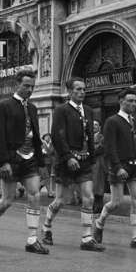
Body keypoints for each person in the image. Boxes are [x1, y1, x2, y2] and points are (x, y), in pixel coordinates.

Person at [0, 69, 49, 255]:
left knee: (35, 194)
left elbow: (36, 137)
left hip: (30, 159)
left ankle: (32, 240)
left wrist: (41, 163)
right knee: (7, 199)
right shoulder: (3, 106)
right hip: (11, 159)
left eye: (32, 87)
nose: (30, 89)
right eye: (26, 86)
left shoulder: (33, 108)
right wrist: (3, 162)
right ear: (16, 85)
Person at [42, 77, 104, 251]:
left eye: (84, 89)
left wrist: (91, 156)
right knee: (60, 201)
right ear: (70, 92)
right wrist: (68, 157)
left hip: (84, 161)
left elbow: (89, 135)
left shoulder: (89, 111)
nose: (82, 92)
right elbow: (57, 135)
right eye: (78, 89)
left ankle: (87, 238)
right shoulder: (61, 110)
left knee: (89, 198)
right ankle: (46, 226)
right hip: (66, 162)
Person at [93, 88, 136, 250]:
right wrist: (118, 167)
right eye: (130, 101)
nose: (134, 104)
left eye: (135, 101)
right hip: (119, 167)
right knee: (116, 202)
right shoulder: (112, 121)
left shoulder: (135, 122)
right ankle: (99, 223)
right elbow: (109, 148)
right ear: (121, 102)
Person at [92, 120, 106, 223]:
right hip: (91, 164)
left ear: (100, 127)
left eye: (96, 125)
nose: (94, 126)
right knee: (92, 185)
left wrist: (90, 151)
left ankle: (99, 206)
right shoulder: (88, 137)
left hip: (99, 164)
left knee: (99, 185)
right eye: (93, 125)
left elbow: (100, 148)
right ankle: (92, 205)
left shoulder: (102, 137)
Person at [40, 133, 55, 198]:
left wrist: (47, 151)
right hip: (43, 163)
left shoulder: (52, 144)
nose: (48, 138)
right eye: (46, 136)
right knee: (46, 177)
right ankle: (49, 192)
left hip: (50, 163)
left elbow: (52, 151)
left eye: (49, 137)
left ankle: (40, 186)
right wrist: (43, 151)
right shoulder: (42, 144)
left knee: (46, 177)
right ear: (44, 137)